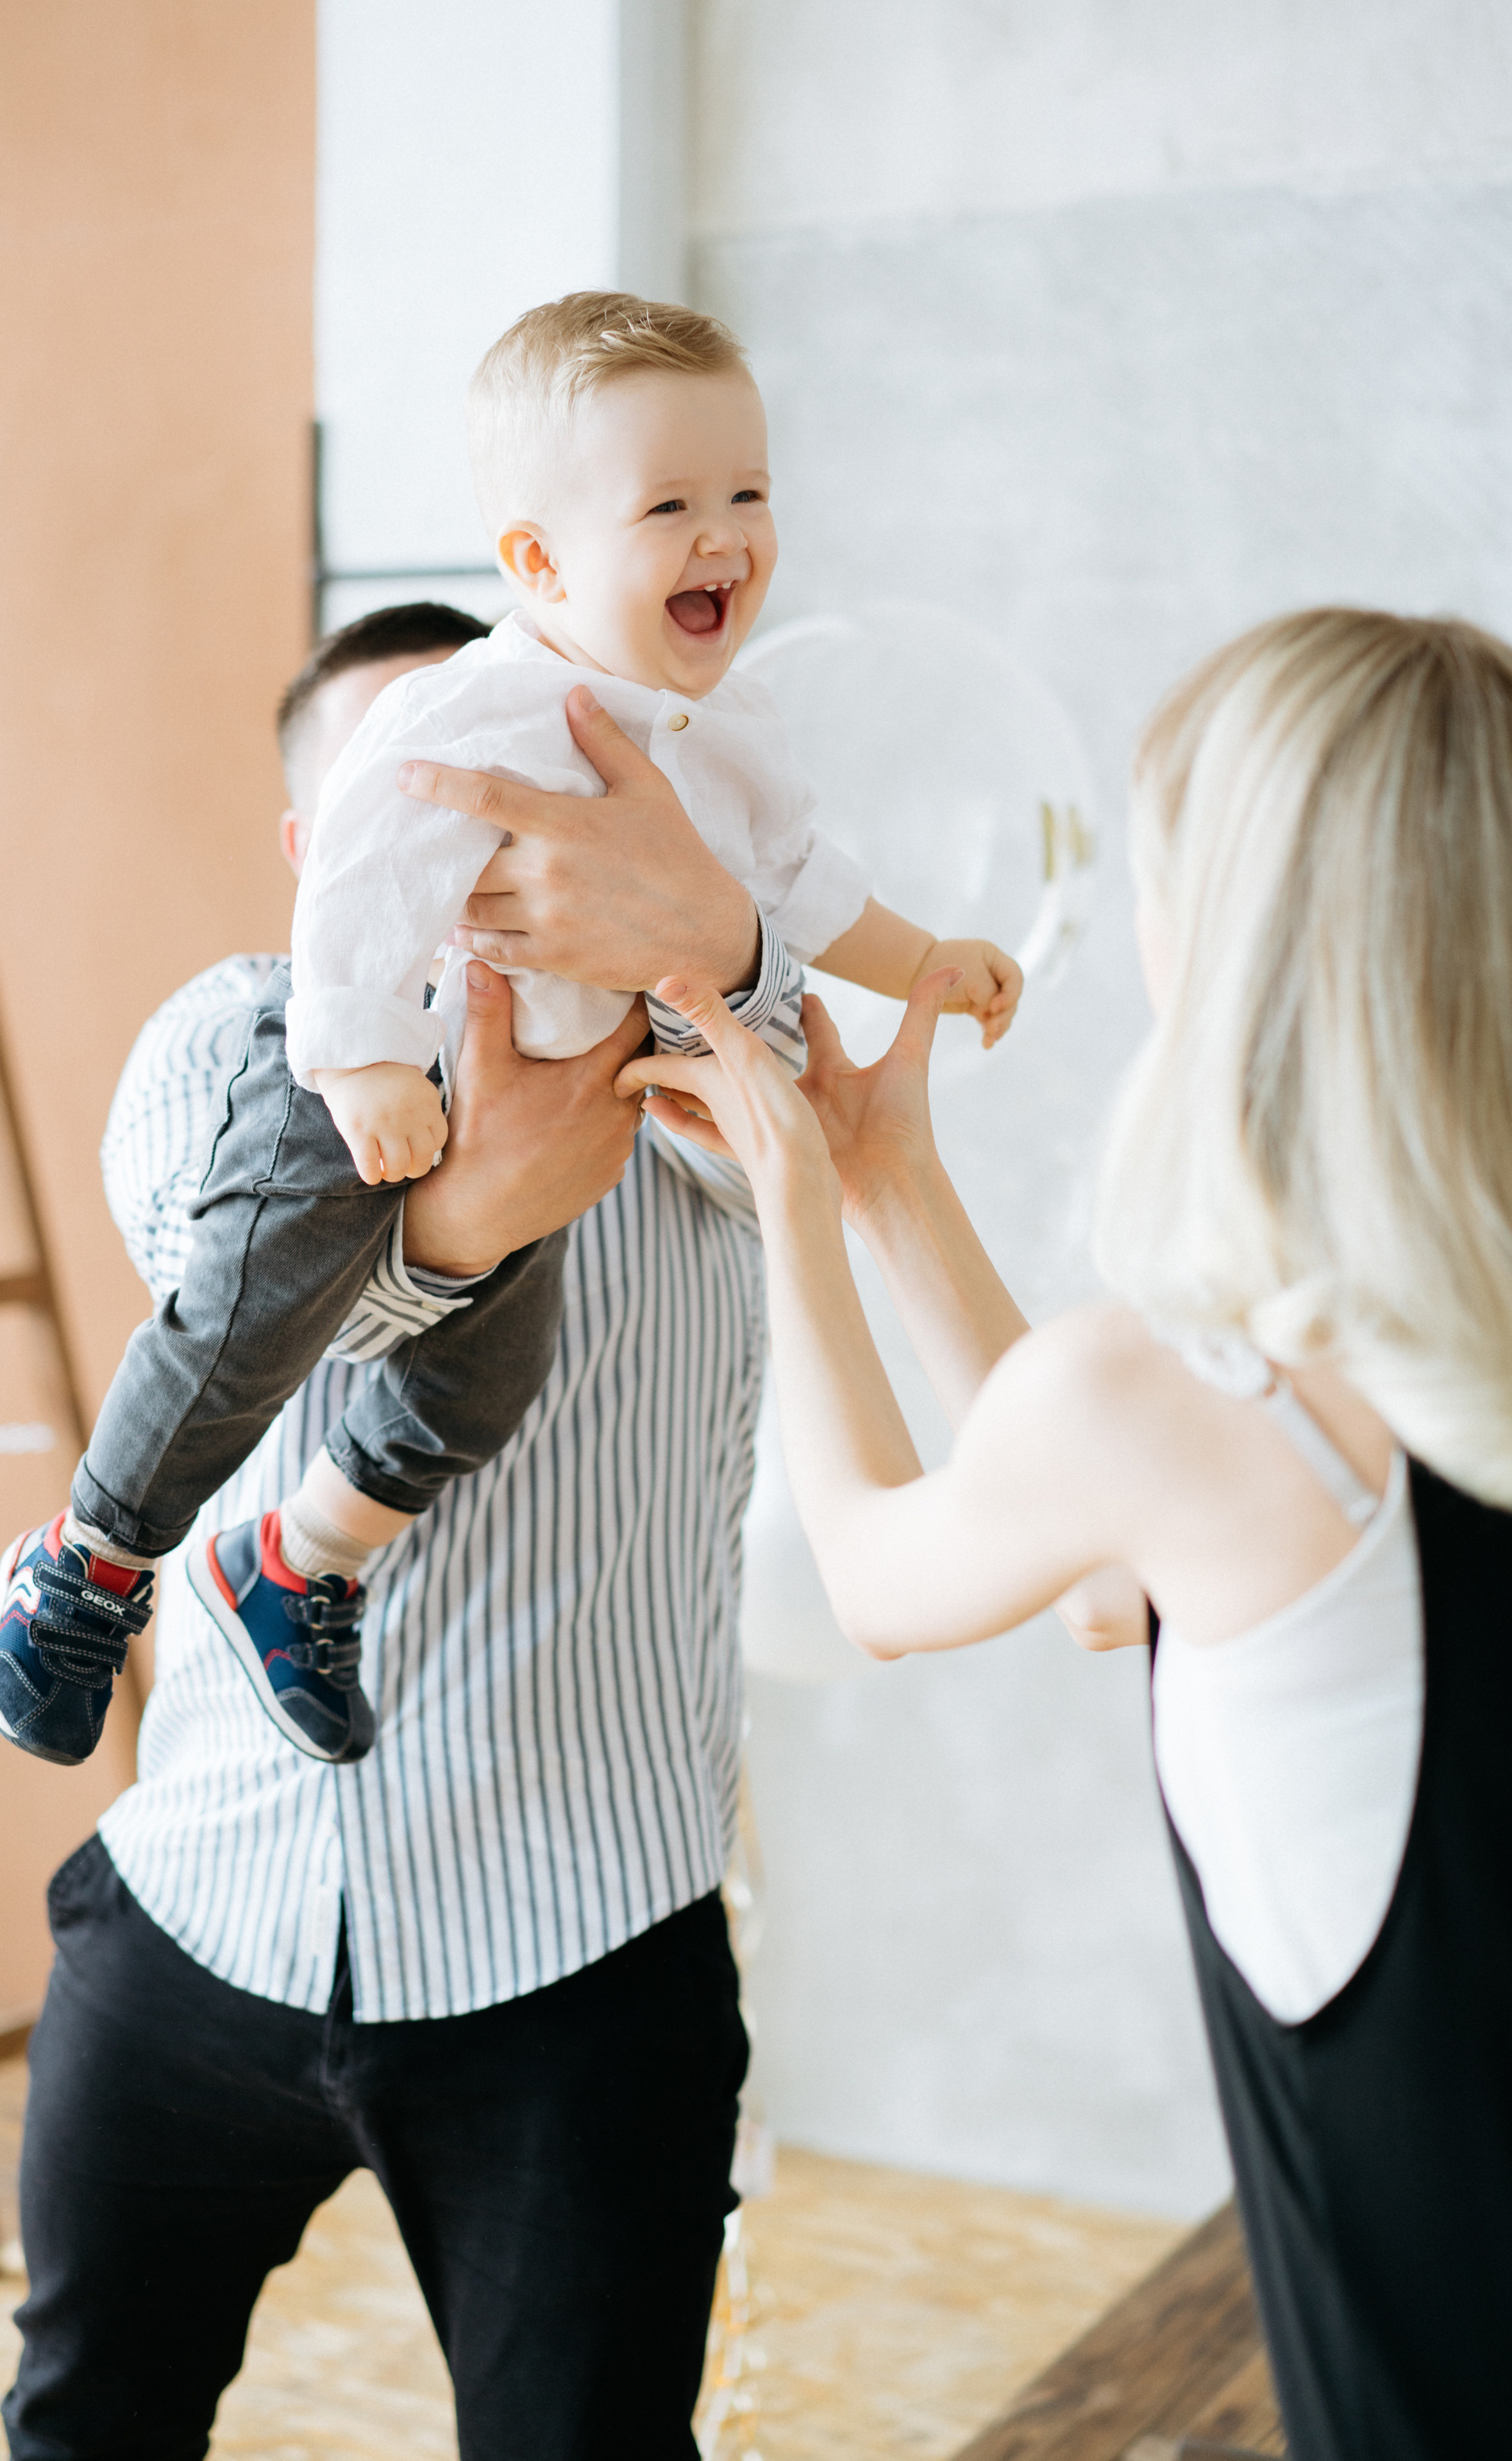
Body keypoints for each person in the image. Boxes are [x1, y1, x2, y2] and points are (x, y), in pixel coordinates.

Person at [626, 608, 1512, 2460]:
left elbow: (880, 1565)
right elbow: (1124, 1576)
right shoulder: (1271, 1411)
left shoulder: (1191, 1404)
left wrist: (799, 1187)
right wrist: (895, 1178)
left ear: (1244, 933)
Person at [0, 290, 1023, 1769]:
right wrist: (355, 1064)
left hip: (578, 1114)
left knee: (489, 1371)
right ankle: (89, 1562)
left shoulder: (728, 743)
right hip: (368, 1079)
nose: (723, 531)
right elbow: (354, 893)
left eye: (748, 493)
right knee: (255, 1288)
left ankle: (303, 1559)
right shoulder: (459, 718)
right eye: (669, 503)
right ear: (535, 563)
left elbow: (800, 902)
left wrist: (914, 957)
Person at [3, 601, 816, 2461]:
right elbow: (252, 1287)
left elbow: (823, 1109)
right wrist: (471, 1226)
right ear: (315, 852)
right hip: (195, 1914)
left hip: (576, 1956)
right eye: (407, 803)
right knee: (82, 2423)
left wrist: (701, 942)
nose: (464, 866)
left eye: (512, 799)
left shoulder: (693, 1075)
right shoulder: (229, 1035)